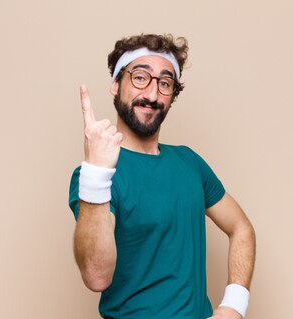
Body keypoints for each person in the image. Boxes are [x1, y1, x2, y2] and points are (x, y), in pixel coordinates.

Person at [68, 34, 256, 319]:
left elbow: (241, 227)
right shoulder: (94, 176)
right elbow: (96, 277)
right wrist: (97, 173)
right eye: (140, 77)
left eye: (165, 83)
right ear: (116, 85)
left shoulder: (189, 162)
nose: (153, 95)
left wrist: (234, 305)